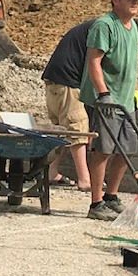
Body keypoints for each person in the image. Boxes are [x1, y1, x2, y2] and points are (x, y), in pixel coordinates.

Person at [79, 0, 138, 221]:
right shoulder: (104, 26)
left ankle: (111, 196)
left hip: (125, 100)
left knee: (126, 150)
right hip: (106, 99)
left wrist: (134, 92)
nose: (136, 2)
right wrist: (104, 94)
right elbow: (94, 62)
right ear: (116, 0)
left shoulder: (133, 26)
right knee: (103, 150)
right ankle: (96, 203)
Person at [41, 20, 93, 191]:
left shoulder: (89, 28)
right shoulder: (104, 30)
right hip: (67, 82)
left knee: (62, 129)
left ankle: (51, 172)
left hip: (54, 81)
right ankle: (85, 180)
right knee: (77, 128)